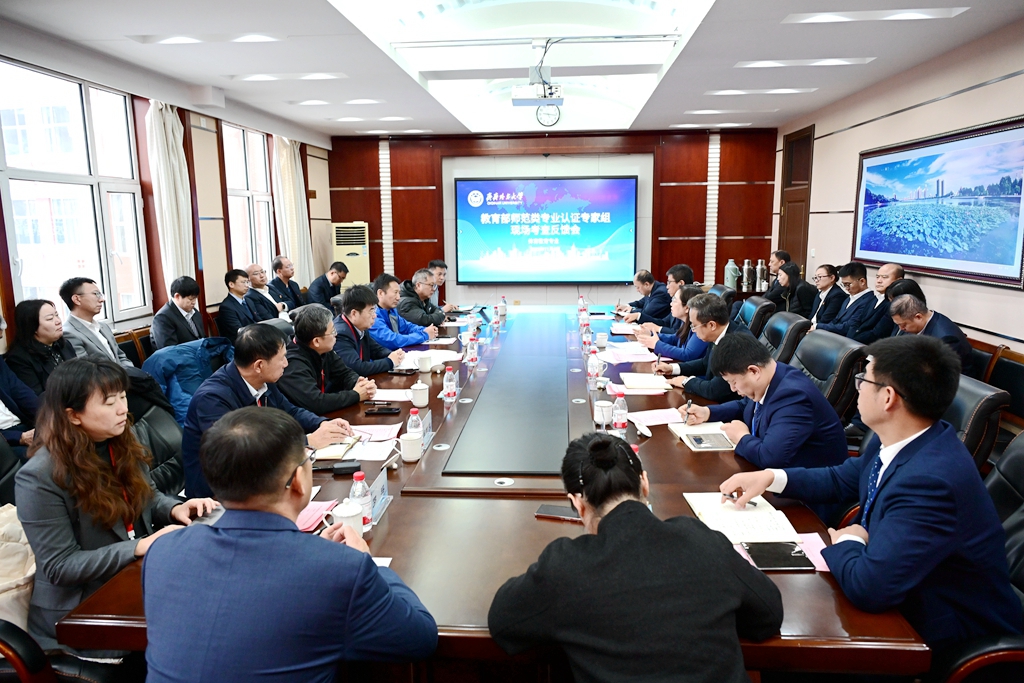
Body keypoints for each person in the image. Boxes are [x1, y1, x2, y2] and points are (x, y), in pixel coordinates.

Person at [720, 336, 1023, 648]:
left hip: (942, 629)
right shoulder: (904, 437)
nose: (858, 387)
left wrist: (849, 539)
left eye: (863, 379)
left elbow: (870, 588)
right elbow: (840, 478)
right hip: (894, 584)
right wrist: (770, 477)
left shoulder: (930, 481)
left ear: (888, 397)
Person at [143, 407, 438, 681]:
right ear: (298, 480)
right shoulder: (342, 570)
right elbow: (420, 638)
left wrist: (312, 550)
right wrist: (369, 563)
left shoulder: (163, 552)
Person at [488, 433, 783, 683]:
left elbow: (504, 623)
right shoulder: (702, 540)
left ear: (577, 504)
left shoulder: (566, 567)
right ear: (644, 484)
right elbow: (769, 614)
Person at [15, 358, 216, 653]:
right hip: (80, 610)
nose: (123, 409)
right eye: (110, 403)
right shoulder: (38, 477)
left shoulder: (121, 437)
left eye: (123, 397)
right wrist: (139, 546)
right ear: (73, 415)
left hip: (136, 576)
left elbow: (146, 495)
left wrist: (174, 508)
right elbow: (60, 566)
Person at [181, 324, 353, 498]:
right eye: (282, 358)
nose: (286, 364)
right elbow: (239, 453)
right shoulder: (212, 399)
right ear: (259, 365)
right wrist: (307, 441)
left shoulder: (263, 380)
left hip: (260, 475)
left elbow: (290, 412)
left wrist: (322, 423)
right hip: (218, 494)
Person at [681, 333, 847, 470]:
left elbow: (770, 459)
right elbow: (745, 406)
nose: (733, 389)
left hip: (806, 492)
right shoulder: (773, 373)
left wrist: (741, 437)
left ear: (754, 371)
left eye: (734, 382)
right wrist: (707, 412)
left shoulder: (793, 397)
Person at [277, 304, 377, 414]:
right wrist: (356, 395)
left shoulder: (323, 349)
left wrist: (358, 382)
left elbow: (344, 373)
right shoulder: (292, 364)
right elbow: (316, 402)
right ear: (316, 341)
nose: (336, 334)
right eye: (333, 331)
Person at [654, 293, 753, 402]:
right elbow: (705, 363)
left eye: (694, 325)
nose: (693, 330)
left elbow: (715, 390)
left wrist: (686, 382)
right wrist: (673, 368)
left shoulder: (736, 345)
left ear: (711, 325)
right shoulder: (718, 333)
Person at [5, 299, 78, 396]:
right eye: (50, 319)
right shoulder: (19, 358)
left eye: (57, 315)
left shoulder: (64, 344)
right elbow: (36, 396)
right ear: (32, 326)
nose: (58, 321)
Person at [890, 293, 974, 376]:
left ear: (918, 317)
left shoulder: (946, 339)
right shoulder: (924, 321)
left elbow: (935, 374)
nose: (901, 328)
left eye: (903, 324)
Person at [59, 277, 134, 368]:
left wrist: (131, 372)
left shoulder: (103, 326)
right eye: (96, 294)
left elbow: (121, 357)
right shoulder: (69, 333)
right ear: (77, 299)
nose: (102, 299)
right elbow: (86, 370)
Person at [334, 286, 406, 376]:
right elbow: (357, 368)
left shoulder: (360, 326)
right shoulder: (340, 334)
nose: (374, 315)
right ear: (354, 313)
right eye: (371, 311)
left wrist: (394, 355)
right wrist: (390, 362)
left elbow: (376, 350)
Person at [636, 285, 709, 363]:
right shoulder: (685, 322)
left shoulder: (700, 326)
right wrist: (651, 336)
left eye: (674, 300)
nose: (671, 304)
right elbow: (676, 338)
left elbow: (687, 354)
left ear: (687, 308)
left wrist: (656, 344)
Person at [371, 273, 437, 350]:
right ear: (380, 293)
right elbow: (393, 340)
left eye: (399, 293)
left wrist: (425, 329)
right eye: (395, 292)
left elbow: (407, 327)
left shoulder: (392, 311)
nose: (398, 298)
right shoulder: (373, 316)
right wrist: (425, 335)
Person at [811, 262, 874, 337]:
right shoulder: (849, 298)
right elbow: (835, 320)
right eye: (844, 285)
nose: (846, 288)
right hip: (834, 335)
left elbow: (848, 327)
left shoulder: (869, 301)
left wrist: (818, 326)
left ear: (862, 281)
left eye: (848, 284)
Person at [850, 263, 904, 344]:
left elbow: (878, 334)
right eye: (877, 277)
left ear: (898, 280)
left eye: (885, 277)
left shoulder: (894, 304)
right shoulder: (873, 299)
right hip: (854, 342)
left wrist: (853, 339)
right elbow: (855, 322)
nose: (879, 281)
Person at [0, 355, 39, 462]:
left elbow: (20, 392)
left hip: (24, 425)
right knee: (44, 457)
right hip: (5, 439)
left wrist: (49, 417)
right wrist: (19, 437)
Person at [151, 276, 205, 350]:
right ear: (177, 296)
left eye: (195, 298)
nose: (194, 302)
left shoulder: (195, 313)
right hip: (181, 356)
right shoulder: (163, 318)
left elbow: (203, 339)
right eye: (191, 299)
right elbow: (169, 350)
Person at [639, 264, 696, 331]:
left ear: (681, 283)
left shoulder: (692, 304)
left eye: (669, 282)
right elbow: (664, 323)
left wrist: (658, 329)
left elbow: (679, 334)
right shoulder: (677, 301)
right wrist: (641, 318)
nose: (667, 287)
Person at [217, 269, 257, 344]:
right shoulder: (226, 307)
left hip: (255, 337)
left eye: (247, 282)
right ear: (231, 284)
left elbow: (257, 320)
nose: (247, 285)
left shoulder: (248, 300)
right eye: (243, 282)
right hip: (242, 342)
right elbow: (237, 331)